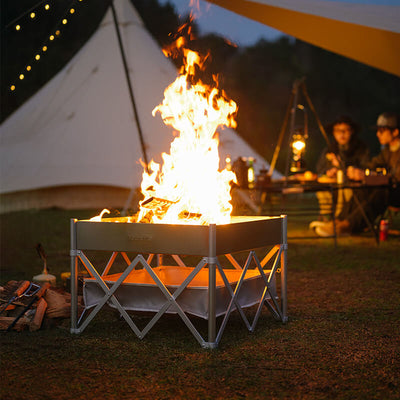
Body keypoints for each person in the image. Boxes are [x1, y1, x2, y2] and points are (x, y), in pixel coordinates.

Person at [314, 111, 400, 237]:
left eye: (382, 131)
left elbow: (395, 179)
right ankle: (339, 221)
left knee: (380, 191)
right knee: (360, 189)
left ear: (395, 132)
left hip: (395, 193)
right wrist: (356, 171)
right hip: (389, 189)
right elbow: (371, 165)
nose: (378, 134)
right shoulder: (387, 151)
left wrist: (366, 176)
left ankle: (347, 226)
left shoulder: (363, 148)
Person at [313, 115, 370, 220]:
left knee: (345, 188)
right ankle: (327, 217)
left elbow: (365, 167)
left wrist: (343, 167)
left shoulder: (360, 148)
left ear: (351, 131)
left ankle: (342, 218)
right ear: (334, 133)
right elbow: (320, 168)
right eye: (338, 131)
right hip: (332, 186)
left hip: (353, 186)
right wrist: (329, 171)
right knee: (322, 187)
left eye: (345, 130)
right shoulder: (330, 148)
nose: (342, 134)